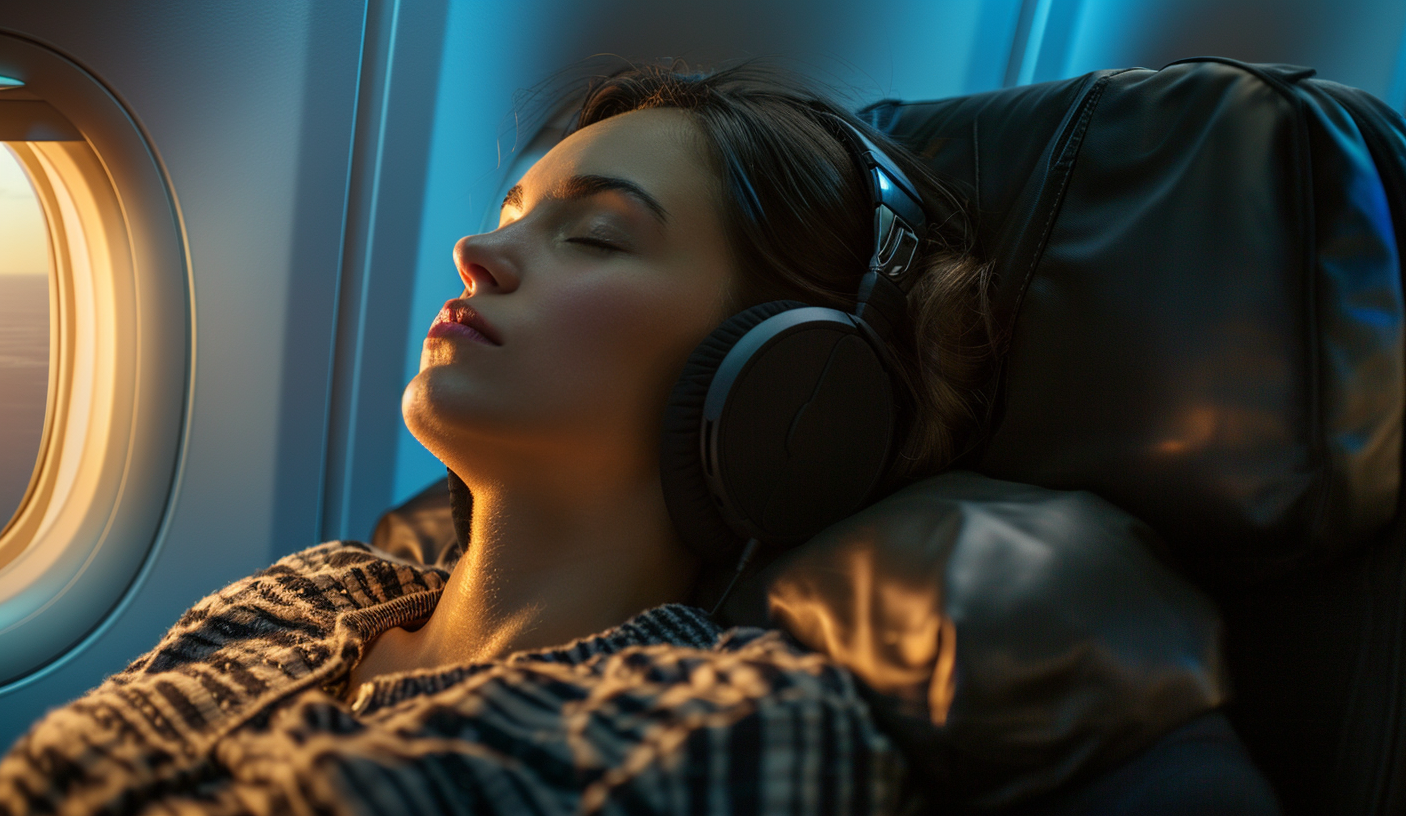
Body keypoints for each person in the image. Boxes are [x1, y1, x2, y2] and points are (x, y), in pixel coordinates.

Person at [0, 62, 997, 815]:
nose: (474, 252)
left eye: (596, 236)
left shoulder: (724, 726)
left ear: (790, 387)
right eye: (512, 213)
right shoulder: (306, 593)